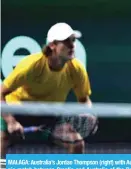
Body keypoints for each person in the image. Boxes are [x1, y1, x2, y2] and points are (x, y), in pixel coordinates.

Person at [0, 22, 98, 157]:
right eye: (66, 41)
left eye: (73, 40)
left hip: (48, 114)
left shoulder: (77, 69)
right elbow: (1, 93)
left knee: (76, 143)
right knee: (1, 140)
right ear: (52, 45)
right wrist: (11, 122)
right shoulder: (31, 66)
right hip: (18, 109)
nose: (72, 45)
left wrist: (88, 113)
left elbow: (84, 100)